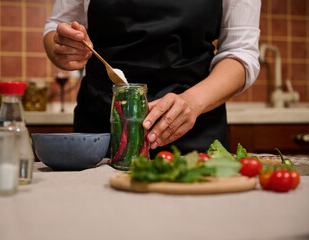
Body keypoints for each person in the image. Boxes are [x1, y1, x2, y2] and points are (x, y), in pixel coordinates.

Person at [43, 0, 261, 155]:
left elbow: (241, 52)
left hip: (194, 129)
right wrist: (65, 47)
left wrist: (192, 102)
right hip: (102, 129)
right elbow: (57, 26)